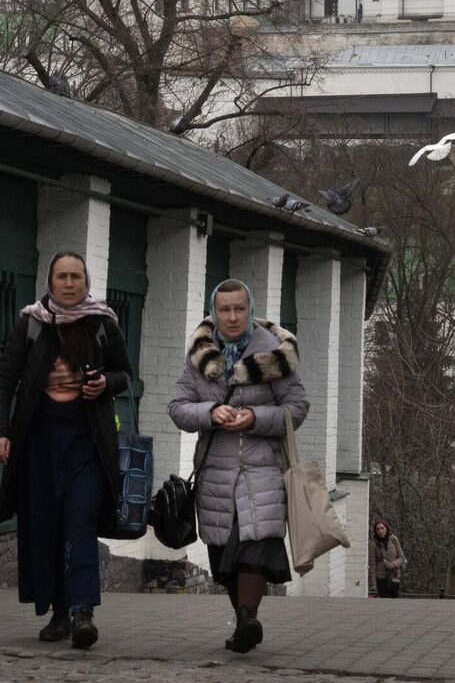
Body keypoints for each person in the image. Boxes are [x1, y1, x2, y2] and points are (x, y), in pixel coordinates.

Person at [0, 251, 134, 649]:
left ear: (87, 283)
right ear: (50, 283)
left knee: (79, 522)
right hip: (37, 444)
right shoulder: (31, 324)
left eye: (76, 277)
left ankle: (84, 610)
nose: (69, 284)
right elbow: (3, 381)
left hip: (87, 443)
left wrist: (106, 382)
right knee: (45, 526)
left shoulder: (102, 324)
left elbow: (127, 374)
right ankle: (59, 610)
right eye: (62, 277)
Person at [168, 279, 308, 654]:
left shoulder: (274, 356)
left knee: (255, 547)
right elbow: (178, 407)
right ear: (215, 312)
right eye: (225, 309)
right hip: (216, 473)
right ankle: (244, 619)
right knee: (223, 555)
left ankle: (248, 617)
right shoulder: (201, 356)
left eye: (239, 309)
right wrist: (211, 412)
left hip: (262, 470)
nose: (232, 317)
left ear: (250, 310)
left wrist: (255, 417)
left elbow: (297, 409)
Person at [370, 519, 405, 597]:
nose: (380, 531)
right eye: (378, 529)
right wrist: (373, 584)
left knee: (394, 601)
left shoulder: (394, 540)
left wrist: (394, 564)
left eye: (382, 528)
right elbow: (372, 564)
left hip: (394, 576)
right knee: (385, 602)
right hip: (381, 578)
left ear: (386, 528)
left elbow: (402, 557)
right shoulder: (373, 544)